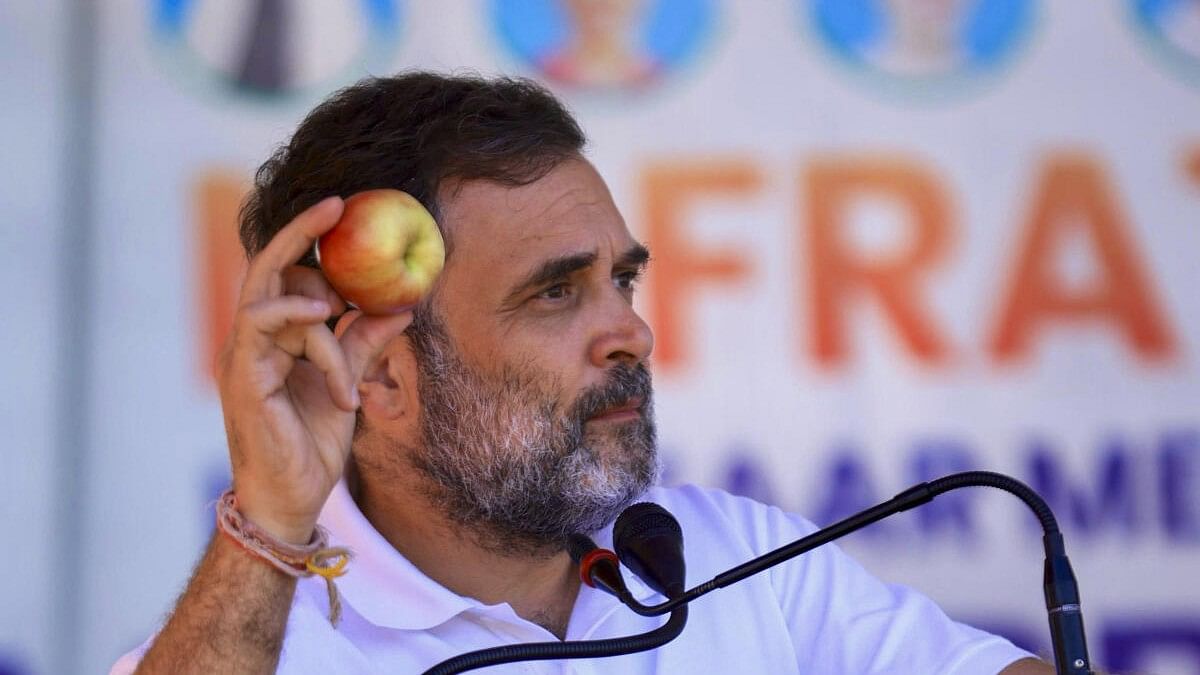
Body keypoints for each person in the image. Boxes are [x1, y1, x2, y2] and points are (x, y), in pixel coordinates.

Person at [113, 72, 1055, 674]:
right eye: (556, 294)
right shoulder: (266, 643)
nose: (630, 334)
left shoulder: (728, 556)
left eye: (622, 279)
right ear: (385, 376)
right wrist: (273, 523)